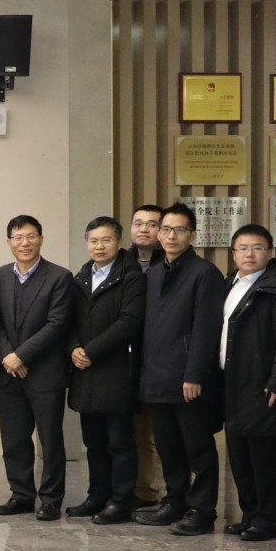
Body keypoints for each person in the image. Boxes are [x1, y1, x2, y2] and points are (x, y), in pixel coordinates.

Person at [135, 203, 226, 536]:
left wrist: (194, 374)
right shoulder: (154, 272)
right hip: (156, 376)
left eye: (180, 230)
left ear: (192, 234)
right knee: (168, 446)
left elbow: (207, 328)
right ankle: (174, 500)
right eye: (166, 229)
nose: (171, 236)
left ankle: (202, 510)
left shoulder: (204, 273)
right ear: (158, 234)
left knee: (198, 447)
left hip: (188, 378)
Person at [220, 224, 276, 543]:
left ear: (270, 252)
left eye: (257, 248)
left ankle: (267, 520)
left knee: (264, 457)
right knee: (239, 453)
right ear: (234, 254)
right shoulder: (230, 284)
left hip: (264, 384)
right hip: (233, 382)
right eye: (243, 248)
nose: (249, 254)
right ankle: (250, 514)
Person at [0, 215, 74, 520]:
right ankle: (21, 495)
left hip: (46, 371)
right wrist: (8, 356)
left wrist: (22, 356)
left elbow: (57, 324)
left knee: (50, 439)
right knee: (14, 438)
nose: (24, 243)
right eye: (18, 237)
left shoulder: (59, 277)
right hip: (8, 371)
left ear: (41, 238)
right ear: (9, 242)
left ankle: (51, 499)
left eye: (30, 236)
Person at [67, 216, 146, 523]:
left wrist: (90, 351)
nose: (99, 246)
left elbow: (129, 322)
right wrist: (74, 347)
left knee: (119, 442)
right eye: (93, 241)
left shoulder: (131, 275)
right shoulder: (82, 276)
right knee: (94, 442)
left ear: (118, 242)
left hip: (116, 371)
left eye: (106, 240)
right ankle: (97, 496)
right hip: (85, 372)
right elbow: (69, 320)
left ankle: (121, 500)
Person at [128, 203, 167, 507]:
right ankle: (141, 491)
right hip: (128, 363)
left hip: (164, 362)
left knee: (162, 434)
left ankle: (168, 494)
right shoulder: (121, 263)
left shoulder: (171, 264)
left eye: (152, 224)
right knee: (137, 433)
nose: (144, 229)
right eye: (138, 223)